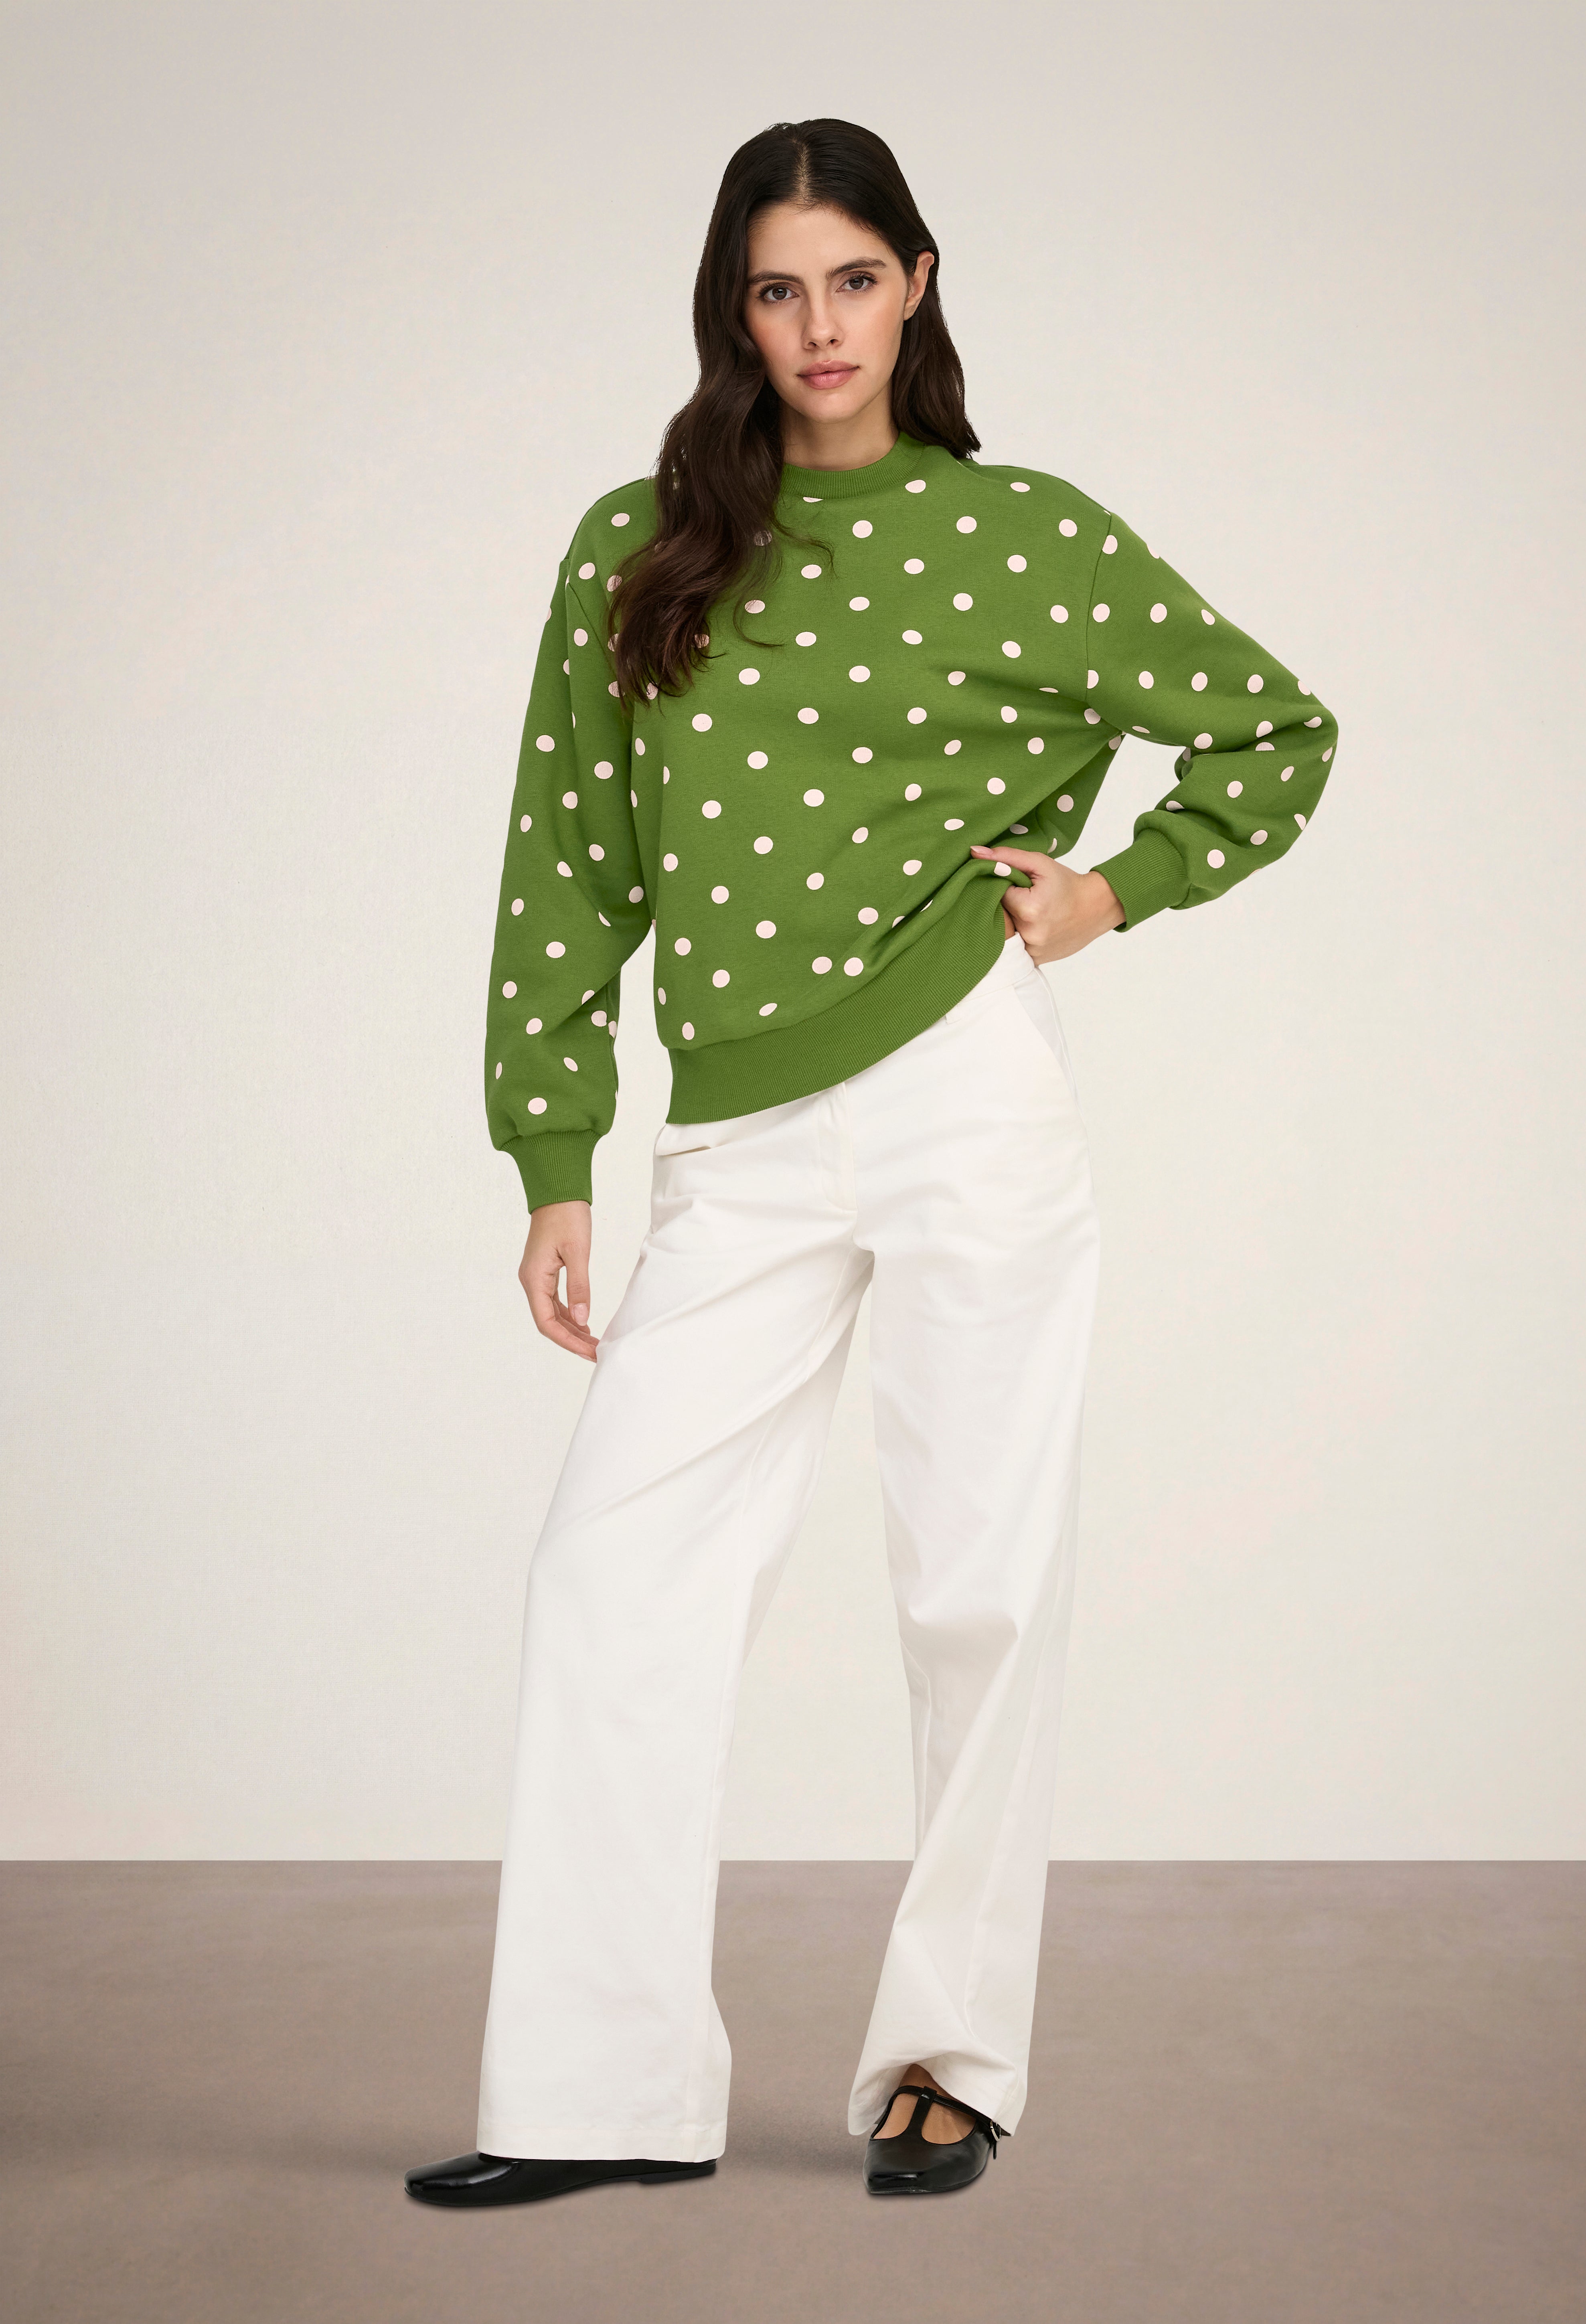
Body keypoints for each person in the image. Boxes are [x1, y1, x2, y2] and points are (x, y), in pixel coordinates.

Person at [406, 114, 1338, 2209]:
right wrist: (553, 1148)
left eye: (851, 278)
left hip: (963, 1097)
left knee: (979, 1582)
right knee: (614, 1578)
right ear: (732, 312)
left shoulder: (1023, 536)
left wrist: (1117, 890)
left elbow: (1276, 728)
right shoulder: (640, 543)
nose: (819, 325)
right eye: (777, 288)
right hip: (736, 1134)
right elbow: (570, 861)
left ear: (915, 284)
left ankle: (950, 2062)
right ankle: (597, 2092)